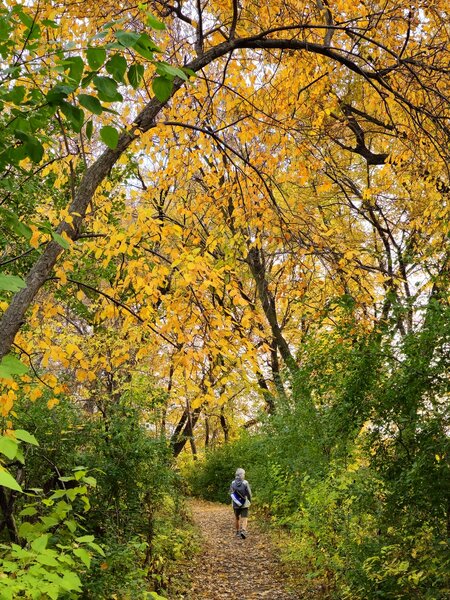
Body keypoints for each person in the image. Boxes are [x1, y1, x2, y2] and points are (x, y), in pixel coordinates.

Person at [230, 467, 252, 539]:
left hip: (235, 503)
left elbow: (231, 493)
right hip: (244, 503)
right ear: (242, 475)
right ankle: (243, 531)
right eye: (244, 474)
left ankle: (237, 532)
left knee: (237, 518)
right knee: (245, 518)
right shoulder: (245, 482)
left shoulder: (232, 483)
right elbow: (249, 494)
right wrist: (250, 500)